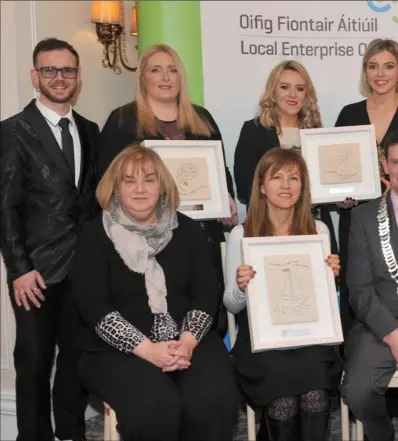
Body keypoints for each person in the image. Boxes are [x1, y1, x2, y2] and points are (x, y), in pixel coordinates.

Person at [71, 145, 238, 441]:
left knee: (213, 402)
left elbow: (205, 294)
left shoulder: (187, 229)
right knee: (156, 408)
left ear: (162, 187)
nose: (139, 189)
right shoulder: (94, 234)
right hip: (115, 350)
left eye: (149, 179)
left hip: (187, 340)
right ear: (115, 187)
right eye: (129, 180)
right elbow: (94, 306)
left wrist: (186, 342)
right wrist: (148, 349)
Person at [96, 43, 237, 336]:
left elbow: (221, 172)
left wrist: (227, 200)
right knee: (155, 323)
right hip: (145, 244)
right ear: (142, 78)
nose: (165, 77)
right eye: (156, 70)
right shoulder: (122, 121)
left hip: (199, 239)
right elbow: (107, 184)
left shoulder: (202, 118)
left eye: (172, 69)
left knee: (204, 324)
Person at [0, 38, 99, 441]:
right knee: (34, 363)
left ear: (78, 77)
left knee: (77, 361)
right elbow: (5, 207)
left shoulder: (90, 130)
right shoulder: (13, 131)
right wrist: (19, 270)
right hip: (36, 274)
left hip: (85, 270)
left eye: (68, 71)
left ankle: (72, 433)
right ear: (34, 76)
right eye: (50, 70)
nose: (60, 78)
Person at [224, 148, 341, 440]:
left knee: (315, 396)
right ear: (262, 187)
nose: (286, 185)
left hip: (311, 338)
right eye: (276, 177)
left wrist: (331, 279)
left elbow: (326, 302)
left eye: (294, 178)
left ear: (303, 188)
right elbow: (230, 303)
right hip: (262, 342)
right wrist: (241, 287)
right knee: (284, 402)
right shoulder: (242, 233)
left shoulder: (319, 230)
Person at [234, 60, 338, 255]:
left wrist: (340, 194)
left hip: (310, 224)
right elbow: (244, 184)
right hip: (268, 228)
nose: (292, 94)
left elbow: (327, 180)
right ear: (273, 92)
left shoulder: (316, 132)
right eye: (284, 87)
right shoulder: (254, 130)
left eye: (299, 88)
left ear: (306, 95)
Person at [335, 38, 398, 339]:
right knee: (359, 289)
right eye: (373, 66)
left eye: (389, 66)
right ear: (365, 72)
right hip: (357, 219)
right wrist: (338, 196)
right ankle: (360, 358)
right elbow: (332, 170)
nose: (380, 74)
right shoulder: (348, 114)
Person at [340, 130, 398, 441]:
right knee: (358, 391)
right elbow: (359, 288)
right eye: (397, 162)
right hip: (379, 323)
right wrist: (392, 333)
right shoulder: (363, 217)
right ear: (385, 166)